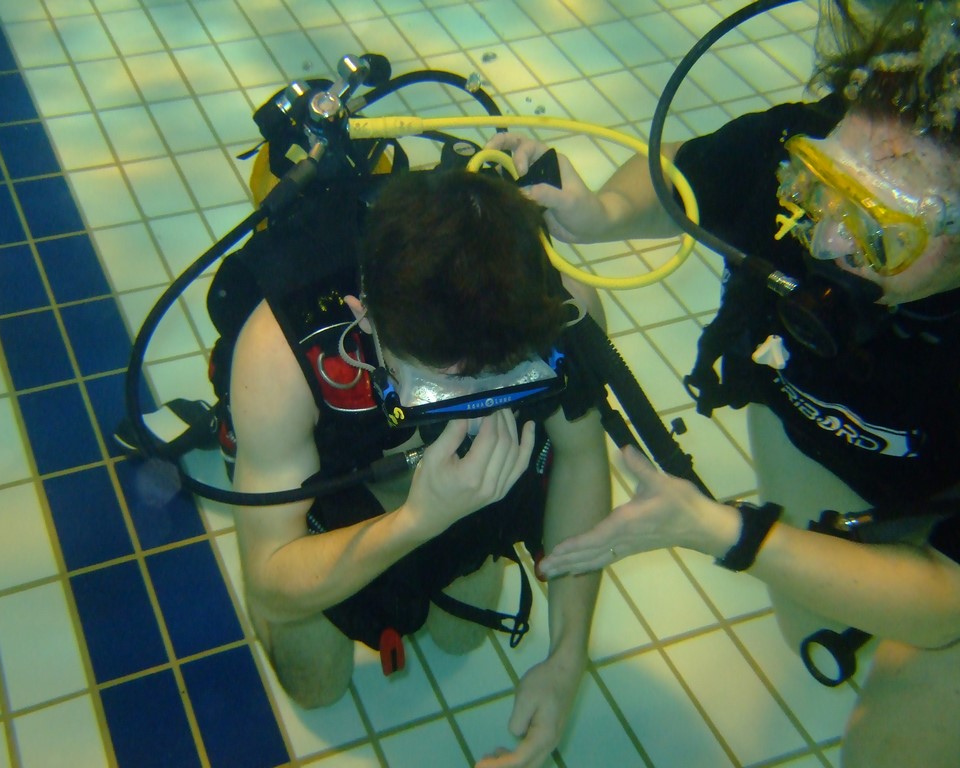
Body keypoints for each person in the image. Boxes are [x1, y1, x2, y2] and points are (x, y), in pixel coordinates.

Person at [486, 2, 960, 766]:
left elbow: (943, 602)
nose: (827, 238)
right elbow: (684, 169)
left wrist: (725, 533)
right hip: (811, 427)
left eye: (884, 229)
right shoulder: (813, 139)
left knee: (888, 748)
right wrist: (604, 213)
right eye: (819, 187)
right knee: (811, 623)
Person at [226, 167, 611, 767]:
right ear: (367, 320)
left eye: (508, 380)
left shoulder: (562, 310)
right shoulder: (280, 354)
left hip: (462, 504)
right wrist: (416, 521)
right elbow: (272, 583)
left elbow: (582, 460)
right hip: (350, 513)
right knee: (317, 684)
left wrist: (568, 655)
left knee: (463, 638)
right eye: (440, 390)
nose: (476, 416)